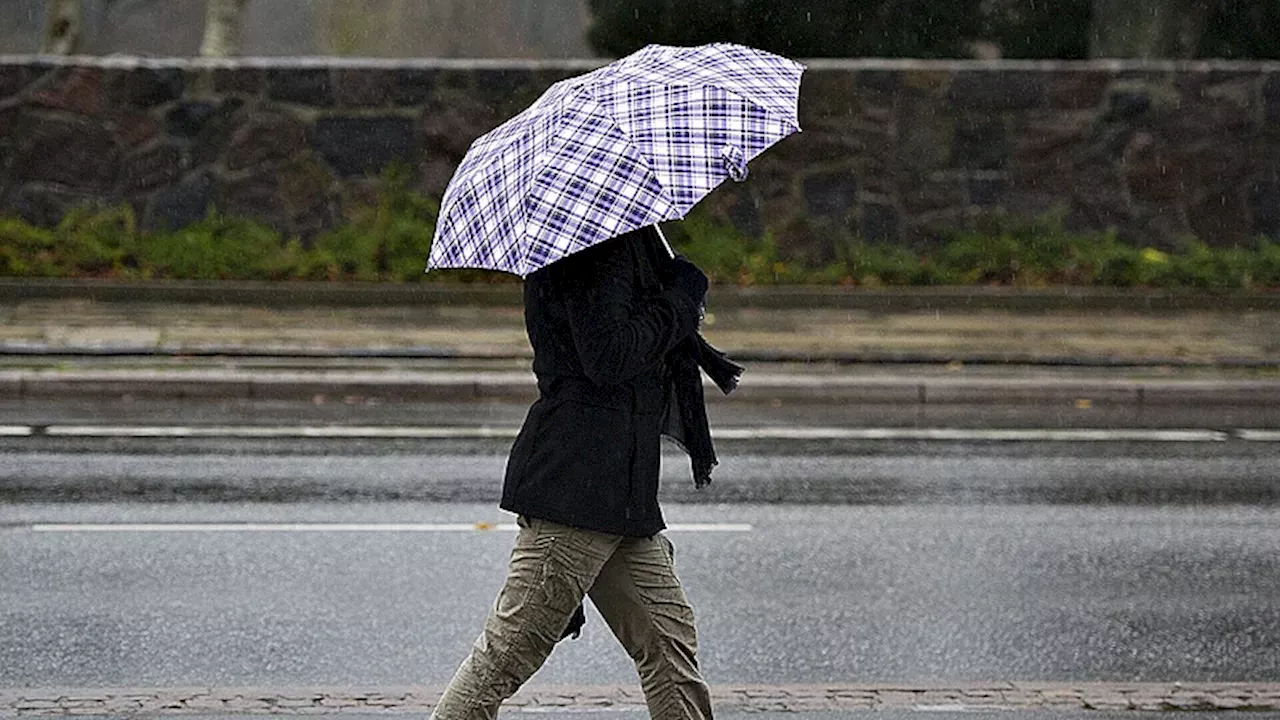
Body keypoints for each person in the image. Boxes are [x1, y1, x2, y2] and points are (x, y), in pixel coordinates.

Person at [430, 224, 721, 720]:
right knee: (508, 654)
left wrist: (671, 290)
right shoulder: (590, 249)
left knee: (667, 641)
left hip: (624, 492)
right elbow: (609, 357)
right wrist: (678, 299)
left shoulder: (627, 243)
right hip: (576, 485)